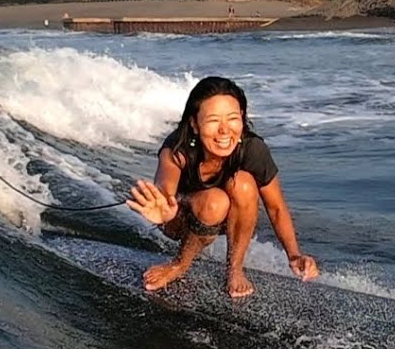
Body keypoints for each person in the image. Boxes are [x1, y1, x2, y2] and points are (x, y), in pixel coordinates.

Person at [126, 76, 319, 298]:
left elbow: (276, 208)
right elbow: (165, 188)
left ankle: (234, 269)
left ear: (243, 118)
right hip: (179, 219)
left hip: (226, 220)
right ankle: (179, 265)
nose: (224, 130)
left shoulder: (253, 149)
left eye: (233, 119)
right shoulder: (178, 148)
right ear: (194, 125)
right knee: (215, 201)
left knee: (243, 184)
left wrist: (294, 255)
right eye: (213, 120)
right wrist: (164, 206)